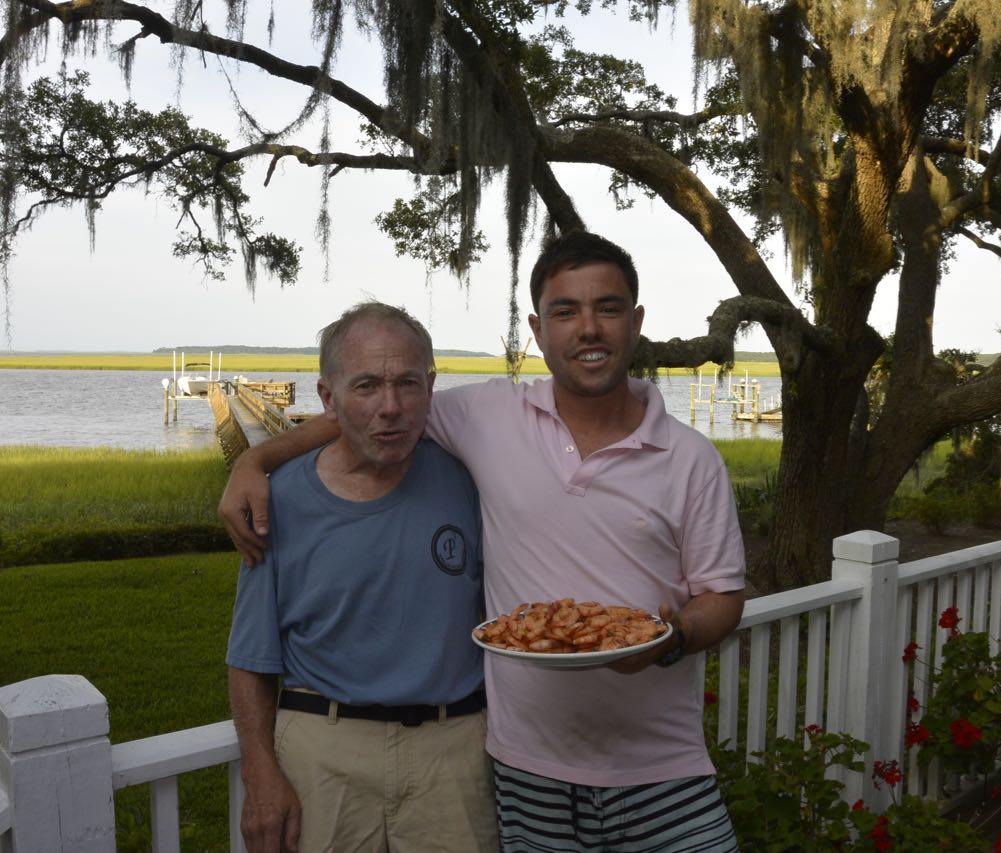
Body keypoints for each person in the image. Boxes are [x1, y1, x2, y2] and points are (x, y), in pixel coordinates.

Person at [221, 232, 747, 852]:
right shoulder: (488, 416)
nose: (589, 328)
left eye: (608, 308)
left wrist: (671, 640)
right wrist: (255, 461)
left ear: (635, 323)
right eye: (565, 311)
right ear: (537, 330)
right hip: (528, 768)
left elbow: (723, 595)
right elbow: (370, 410)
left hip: (661, 765)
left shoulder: (691, 458)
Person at [225, 302, 498, 853]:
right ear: (328, 398)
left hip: (454, 752)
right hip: (322, 753)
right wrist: (259, 770)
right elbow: (251, 655)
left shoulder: (472, 480)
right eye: (367, 386)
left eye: (407, 384)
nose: (390, 407)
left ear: (431, 387)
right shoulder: (280, 501)